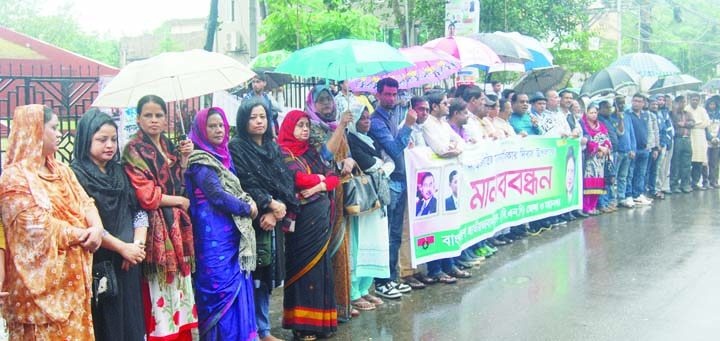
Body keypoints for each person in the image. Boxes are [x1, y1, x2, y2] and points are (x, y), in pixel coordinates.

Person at [0, 105, 103, 339]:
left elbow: (85, 202)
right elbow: (36, 227)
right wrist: (84, 235)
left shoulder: (62, 170)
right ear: (35, 129)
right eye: (54, 128)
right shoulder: (14, 177)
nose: (60, 134)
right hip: (37, 294)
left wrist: (97, 228)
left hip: (73, 283)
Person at [122, 95, 198, 340]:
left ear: (166, 118)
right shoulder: (133, 149)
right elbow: (146, 195)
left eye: (158, 115)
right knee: (159, 293)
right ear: (138, 118)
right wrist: (178, 201)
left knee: (179, 293)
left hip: (176, 229)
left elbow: (180, 185)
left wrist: (184, 160)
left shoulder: (168, 146)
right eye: (148, 115)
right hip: (155, 230)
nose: (154, 120)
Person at [71, 109, 147, 341]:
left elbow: (139, 211)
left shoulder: (119, 171)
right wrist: (121, 247)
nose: (110, 145)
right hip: (100, 264)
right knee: (107, 326)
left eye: (113, 139)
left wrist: (136, 247)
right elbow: (85, 223)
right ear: (86, 140)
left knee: (132, 324)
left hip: (129, 263)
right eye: (102, 140)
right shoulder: (76, 175)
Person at [185, 107, 259, 340]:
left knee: (238, 286)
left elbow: (235, 189)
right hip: (212, 238)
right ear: (200, 130)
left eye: (221, 125)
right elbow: (216, 195)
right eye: (211, 126)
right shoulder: (200, 161)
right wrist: (248, 208)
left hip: (232, 234)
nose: (218, 130)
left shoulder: (223, 156)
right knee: (219, 289)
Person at [229, 99, 298, 341]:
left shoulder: (273, 147)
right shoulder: (237, 147)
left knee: (268, 276)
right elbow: (245, 183)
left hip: (273, 219)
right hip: (252, 221)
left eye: (263, 117)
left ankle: (264, 328)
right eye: (253, 117)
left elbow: (286, 181)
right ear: (243, 120)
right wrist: (269, 203)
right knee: (254, 276)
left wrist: (277, 209)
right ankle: (253, 329)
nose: (259, 121)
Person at [278, 110, 340, 341]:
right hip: (301, 222)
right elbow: (297, 179)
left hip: (320, 222)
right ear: (288, 128)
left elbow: (333, 177)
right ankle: (302, 324)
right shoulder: (282, 153)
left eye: (307, 125)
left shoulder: (312, 153)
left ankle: (321, 323)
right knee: (303, 270)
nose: (305, 129)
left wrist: (319, 186)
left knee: (321, 268)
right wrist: (322, 180)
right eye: (299, 125)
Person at [305, 84, 357, 321]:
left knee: (343, 247)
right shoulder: (311, 127)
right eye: (321, 100)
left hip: (340, 191)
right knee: (326, 249)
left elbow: (343, 153)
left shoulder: (335, 125)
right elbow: (325, 156)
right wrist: (343, 127)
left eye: (329, 100)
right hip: (321, 195)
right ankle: (326, 308)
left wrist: (348, 160)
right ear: (312, 104)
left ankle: (343, 303)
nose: (327, 104)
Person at [367, 77, 417, 299]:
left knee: (396, 232)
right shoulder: (376, 121)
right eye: (387, 94)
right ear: (377, 95)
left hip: (402, 178)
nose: (391, 98)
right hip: (388, 181)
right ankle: (382, 281)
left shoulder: (394, 114)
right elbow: (395, 149)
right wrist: (407, 126)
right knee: (386, 233)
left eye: (394, 94)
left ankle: (392, 277)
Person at [345, 105, 392, 312]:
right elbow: (371, 165)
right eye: (362, 119)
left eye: (367, 118)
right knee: (360, 245)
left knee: (375, 241)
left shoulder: (369, 139)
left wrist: (381, 164)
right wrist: (381, 164)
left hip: (377, 199)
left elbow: (389, 162)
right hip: (363, 201)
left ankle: (365, 288)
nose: (367, 122)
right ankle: (354, 292)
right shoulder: (351, 141)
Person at [579, 104, 612, 215]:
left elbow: (607, 138)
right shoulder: (584, 125)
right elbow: (587, 141)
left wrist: (606, 148)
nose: (593, 115)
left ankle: (593, 206)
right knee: (589, 183)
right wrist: (598, 148)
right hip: (590, 159)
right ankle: (586, 207)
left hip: (601, 159)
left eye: (595, 113)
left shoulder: (601, 125)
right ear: (586, 113)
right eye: (591, 113)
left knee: (599, 183)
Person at [669, 96, 694, 193]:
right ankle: (674, 184)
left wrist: (683, 124)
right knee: (676, 162)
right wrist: (674, 111)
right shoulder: (672, 114)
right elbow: (674, 124)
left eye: (684, 102)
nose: (683, 104)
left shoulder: (688, 113)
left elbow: (692, 123)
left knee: (687, 163)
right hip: (677, 139)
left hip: (687, 139)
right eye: (681, 102)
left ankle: (685, 184)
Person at [687, 93, 710, 189]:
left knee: (699, 161)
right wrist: (696, 124)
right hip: (690, 136)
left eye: (697, 100)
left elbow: (706, 123)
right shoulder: (686, 109)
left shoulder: (702, 110)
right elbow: (687, 124)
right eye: (693, 99)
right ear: (690, 100)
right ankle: (687, 182)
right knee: (689, 160)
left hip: (701, 137)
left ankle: (696, 182)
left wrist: (695, 124)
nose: (695, 101)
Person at [706, 96, 720, 187]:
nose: (712, 106)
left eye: (714, 104)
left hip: (717, 141)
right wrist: (710, 138)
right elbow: (705, 129)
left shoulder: (718, 114)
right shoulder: (705, 114)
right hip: (707, 141)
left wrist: (717, 138)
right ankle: (706, 181)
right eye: (710, 104)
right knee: (706, 162)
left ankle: (714, 180)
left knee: (715, 162)